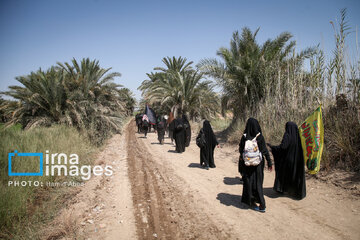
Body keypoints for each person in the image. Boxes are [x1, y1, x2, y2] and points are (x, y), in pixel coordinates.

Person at [239, 118, 272, 212]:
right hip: (258, 165)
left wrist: (242, 162)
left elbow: (241, 150)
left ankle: (250, 200)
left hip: (247, 164)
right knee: (258, 183)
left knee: (248, 182)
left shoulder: (244, 137)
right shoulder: (259, 137)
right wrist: (269, 162)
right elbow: (264, 151)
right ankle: (262, 205)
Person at [268, 122, 306, 200]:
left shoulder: (287, 135)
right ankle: (295, 192)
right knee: (294, 174)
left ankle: (281, 189)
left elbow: (283, 147)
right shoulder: (297, 136)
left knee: (284, 173)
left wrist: (273, 148)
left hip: (287, 160)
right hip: (296, 160)